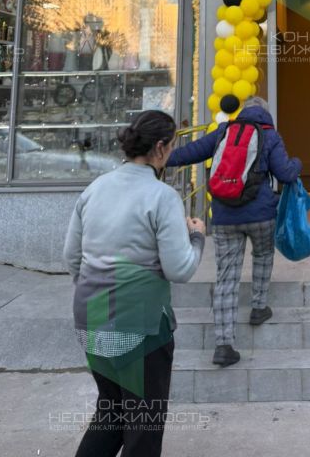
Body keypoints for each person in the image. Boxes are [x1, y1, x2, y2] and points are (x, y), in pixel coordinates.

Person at [63, 110, 205, 457]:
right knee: (143, 428)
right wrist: (197, 237)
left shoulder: (95, 188)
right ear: (159, 148)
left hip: (90, 319)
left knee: (111, 413)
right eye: (172, 146)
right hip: (140, 327)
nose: (171, 152)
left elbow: (71, 257)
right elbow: (180, 269)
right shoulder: (162, 196)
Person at [166, 95, 301, 368]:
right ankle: (259, 307)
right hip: (261, 215)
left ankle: (223, 345)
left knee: (226, 277)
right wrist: (298, 163)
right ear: (266, 113)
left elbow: (190, 152)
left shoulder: (223, 131)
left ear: (243, 112)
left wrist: (158, 158)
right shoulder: (269, 135)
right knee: (263, 255)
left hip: (224, 217)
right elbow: (286, 174)